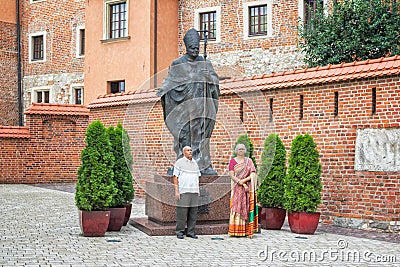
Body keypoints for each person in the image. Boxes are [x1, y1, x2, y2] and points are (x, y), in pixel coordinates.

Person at [156, 28, 219, 175]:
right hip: (183, 106)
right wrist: (163, 90)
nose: (195, 50)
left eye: (197, 48)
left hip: (201, 106)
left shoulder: (205, 63)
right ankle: (182, 163)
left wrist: (208, 77)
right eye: (192, 48)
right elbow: (170, 80)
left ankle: (202, 164)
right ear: (186, 47)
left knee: (201, 135)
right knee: (184, 135)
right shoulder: (178, 63)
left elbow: (215, 82)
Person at [228, 143, 259, 238]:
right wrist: (240, 182)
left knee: (246, 206)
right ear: (236, 151)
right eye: (239, 149)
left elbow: (253, 174)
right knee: (236, 207)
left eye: (242, 149)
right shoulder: (232, 161)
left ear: (245, 150)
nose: (241, 151)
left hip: (247, 189)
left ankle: (246, 230)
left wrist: (244, 181)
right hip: (236, 188)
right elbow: (232, 175)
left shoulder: (249, 161)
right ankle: (236, 230)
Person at [173, 146, 201, 239]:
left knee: (193, 213)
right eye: (188, 150)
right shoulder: (179, 162)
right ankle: (180, 231)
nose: (190, 152)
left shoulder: (195, 163)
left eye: (190, 150)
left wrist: (198, 190)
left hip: (194, 191)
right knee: (182, 212)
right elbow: (175, 177)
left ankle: (190, 231)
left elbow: (197, 177)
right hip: (183, 191)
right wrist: (177, 191)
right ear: (183, 152)